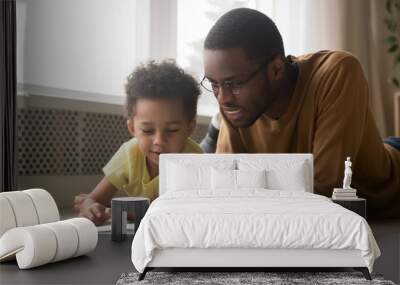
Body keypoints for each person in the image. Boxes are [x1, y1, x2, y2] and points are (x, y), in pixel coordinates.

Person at [201, 8, 400, 218]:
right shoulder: (235, 103)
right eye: (214, 84)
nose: (223, 98)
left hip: (391, 186)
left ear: (276, 69)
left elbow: (322, 191)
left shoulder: (336, 72)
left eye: (235, 83)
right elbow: (227, 194)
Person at [74, 60, 203, 225]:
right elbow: (95, 199)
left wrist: (134, 213)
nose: (159, 141)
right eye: (148, 131)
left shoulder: (196, 161)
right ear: (132, 128)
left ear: (190, 128)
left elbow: (192, 214)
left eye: (171, 130)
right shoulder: (130, 154)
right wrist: (91, 207)